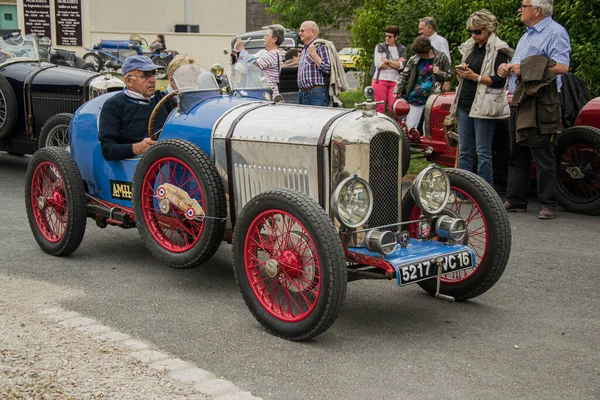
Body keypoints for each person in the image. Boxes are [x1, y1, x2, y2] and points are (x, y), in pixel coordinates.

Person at [497, 0, 570, 219]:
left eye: (524, 5)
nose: (520, 8)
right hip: (520, 97)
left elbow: (562, 66)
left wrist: (523, 68)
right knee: (517, 149)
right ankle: (517, 199)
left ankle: (548, 203)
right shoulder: (527, 34)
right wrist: (507, 68)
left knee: (542, 151)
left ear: (537, 10)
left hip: (542, 100)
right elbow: (520, 67)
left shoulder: (555, 32)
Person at [449, 9, 513, 187]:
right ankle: (463, 189)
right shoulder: (470, 47)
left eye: (478, 31)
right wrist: (461, 73)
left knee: (483, 151)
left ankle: (485, 193)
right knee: (464, 151)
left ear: (489, 29)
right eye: (471, 31)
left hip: (485, 105)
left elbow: (500, 81)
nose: (474, 35)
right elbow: (464, 77)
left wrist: (474, 76)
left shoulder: (499, 49)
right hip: (465, 103)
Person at [99, 55, 174, 161]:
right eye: (145, 76)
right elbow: (107, 150)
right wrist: (137, 148)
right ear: (129, 81)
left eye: (153, 74)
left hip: (169, 160)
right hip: (135, 169)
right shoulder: (113, 105)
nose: (153, 80)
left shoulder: (164, 99)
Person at [393, 36, 452, 132]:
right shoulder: (414, 59)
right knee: (410, 125)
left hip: (434, 98)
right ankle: (410, 145)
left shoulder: (441, 57)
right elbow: (404, 74)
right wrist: (398, 88)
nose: (418, 55)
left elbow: (449, 75)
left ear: (427, 51)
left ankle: (429, 146)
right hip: (416, 97)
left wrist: (439, 72)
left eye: (420, 54)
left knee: (429, 128)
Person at [235, 25, 284, 95]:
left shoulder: (273, 54)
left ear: (274, 39)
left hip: (269, 94)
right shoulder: (268, 53)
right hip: (265, 92)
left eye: (267, 36)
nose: (264, 38)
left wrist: (242, 50)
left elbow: (253, 64)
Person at [372, 25, 407, 114]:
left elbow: (402, 66)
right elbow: (378, 64)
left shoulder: (402, 48)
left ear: (396, 37)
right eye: (386, 36)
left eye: (390, 36)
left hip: (395, 81)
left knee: (395, 107)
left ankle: (397, 126)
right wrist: (395, 63)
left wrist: (387, 61)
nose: (387, 38)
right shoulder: (379, 47)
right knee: (379, 108)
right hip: (380, 80)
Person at [297, 21, 331, 106]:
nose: (300, 33)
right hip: (302, 93)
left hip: (316, 93)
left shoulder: (320, 46)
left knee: (319, 118)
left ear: (312, 32)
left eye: (302, 31)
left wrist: (314, 54)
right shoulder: (305, 48)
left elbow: (328, 68)